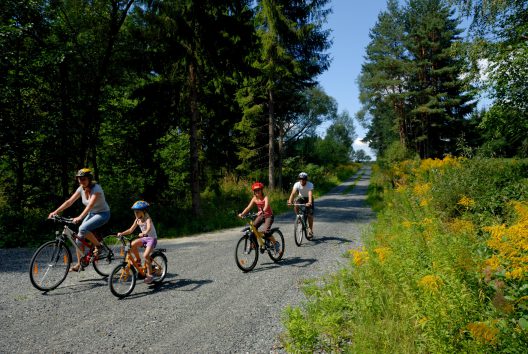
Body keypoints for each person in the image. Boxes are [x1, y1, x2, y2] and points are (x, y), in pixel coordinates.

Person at [48, 168, 111, 272]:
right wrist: (56, 211)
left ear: (89, 179)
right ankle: (80, 264)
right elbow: (69, 202)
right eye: (79, 179)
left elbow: (90, 205)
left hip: (103, 214)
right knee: (78, 238)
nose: (81, 181)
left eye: (84, 179)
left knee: (82, 228)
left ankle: (99, 247)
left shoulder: (97, 189)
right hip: (92, 213)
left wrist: (80, 217)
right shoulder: (81, 188)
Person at [117, 201, 158, 284]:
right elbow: (130, 230)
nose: (135, 213)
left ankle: (150, 276)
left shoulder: (148, 219)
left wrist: (145, 233)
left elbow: (149, 228)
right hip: (144, 238)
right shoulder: (137, 220)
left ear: (143, 211)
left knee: (146, 255)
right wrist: (122, 233)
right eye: (134, 212)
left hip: (151, 239)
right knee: (131, 245)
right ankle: (138, 260)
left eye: (137, 212)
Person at [238, 182, 274, 249]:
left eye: (258, 190)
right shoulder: (254, 198)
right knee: (252, 229)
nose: (257, 192)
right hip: (261, 215)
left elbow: (266, 206)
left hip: (268, 216)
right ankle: (255, 245)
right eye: (255, 190)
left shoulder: (265, 197)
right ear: (254, 192)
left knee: (266, 232)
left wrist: (262, 211)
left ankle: (275, 243)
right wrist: (242, 214)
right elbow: (248, 207)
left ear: (261, 190)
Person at [287, 172, 314, 237]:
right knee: (296, 204)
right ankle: (298, 217)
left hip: (308, 198)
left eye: (303, 179)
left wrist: (310, 202)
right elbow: (293, 193)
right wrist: (290, 201)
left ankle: (310, 229)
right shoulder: (297, 184)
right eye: (300, 179)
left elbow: (310, 193)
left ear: (306, 179)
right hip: (301, 197)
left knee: (310, 215)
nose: (301, 180)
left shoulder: (310, 184)